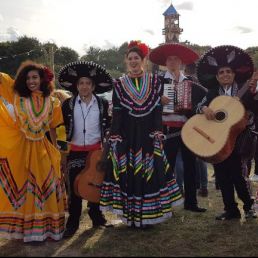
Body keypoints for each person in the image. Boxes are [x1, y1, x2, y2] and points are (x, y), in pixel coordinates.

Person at [100, 40, 183, 228]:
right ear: (126, 61)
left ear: (143, 60)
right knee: (129, 173)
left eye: (136, 58)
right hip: (128, 135)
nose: (133, 61)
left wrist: (157, 132)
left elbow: (157, 110)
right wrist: (115, 136)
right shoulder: (119, 84)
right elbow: (118, 113)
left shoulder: (155, 81)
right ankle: (130, 217)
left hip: (148, 134)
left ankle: (149, 217)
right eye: (130, 58)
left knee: (149, 173)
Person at [0, 61, 66, 242]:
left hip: (43, 149)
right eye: (28, 78)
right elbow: (2, 80)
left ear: (42, 79)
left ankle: (46, 230)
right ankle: (27, 232)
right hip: (21, 148)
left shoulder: (52, 102)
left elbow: (55, 127)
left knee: (47, 186)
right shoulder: (17, 97)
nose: (31, 81)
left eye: (35, 77)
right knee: (24, 187)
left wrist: (58, 148)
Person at [196, 45, 258, 220]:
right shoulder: (213, 92)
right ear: (217, 76)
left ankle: (248, 206)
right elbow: (198, 107)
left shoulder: (246, 89)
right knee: (222, 176)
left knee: (239, 175)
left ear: (234, 74)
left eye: (228, 71)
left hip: (240, 139)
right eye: (221, 72)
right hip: (219, 140)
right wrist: (204, 108)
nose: (225, 74)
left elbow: (255, 108)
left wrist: (253, 95)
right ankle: (230, 209)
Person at [149, 43, 207, 212]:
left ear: (181, 63)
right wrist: (158, 100)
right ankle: (165, 204)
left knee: (190, 166)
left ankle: (191, 203)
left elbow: (205, 98)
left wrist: (198, 108)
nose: (172, 62)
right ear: (165, 63)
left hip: (187, 129)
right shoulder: (157, 82)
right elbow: (146, 102)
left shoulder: (190, 83)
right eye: (169, 59)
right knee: (167, 167)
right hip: (167, 130)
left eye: (176, 59)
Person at [58, 61, 113, 237]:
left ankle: (96, 217)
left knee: (97, 185)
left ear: (93, 86)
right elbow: (60, 129)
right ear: (76, 85)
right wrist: (62, 153)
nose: (84, 86)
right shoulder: (68, 104)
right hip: (74, 152)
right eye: (81, 83)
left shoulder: (103, 104)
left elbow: (109, 126)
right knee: (74, 188)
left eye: (88, 83)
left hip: (96, 151)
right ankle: (72, 223)